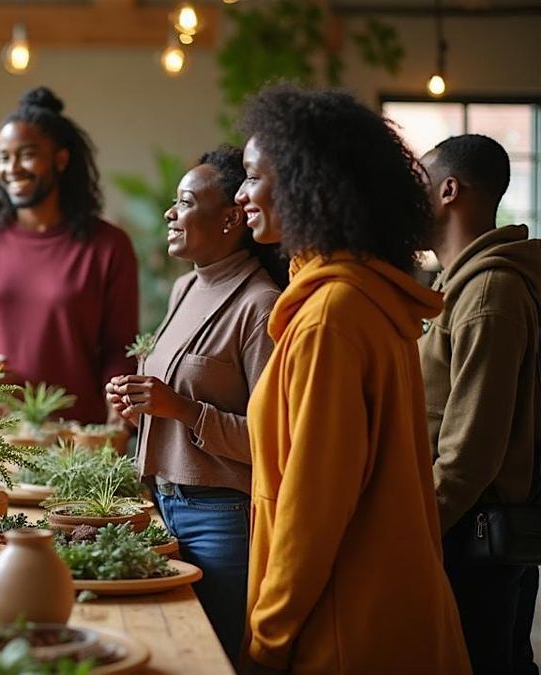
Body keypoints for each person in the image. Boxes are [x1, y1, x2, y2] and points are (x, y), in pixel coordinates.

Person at [234, 84, 470, 674]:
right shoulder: (355, 300)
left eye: (252, 176)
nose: (241, 195)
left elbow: (312, 510)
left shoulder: (331, 317)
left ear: (301, 181)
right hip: (384, 612)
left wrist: (266, 639)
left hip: (343, 633)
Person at [105, 146, 284, 663]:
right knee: (170, 651)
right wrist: (137, 404)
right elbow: (168, 398)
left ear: (231, 218)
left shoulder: (261, 306)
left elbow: (273, 440)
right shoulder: (185, 287)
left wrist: (182, 409)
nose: (169, 213)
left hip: (223, 516)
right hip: (163, 503)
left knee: (213, 657)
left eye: (184, 203)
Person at [0, 86, 138, 424]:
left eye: (26, 154)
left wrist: (116, 423)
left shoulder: (108, 246)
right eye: (4, 157)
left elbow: (119, 348)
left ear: (61, 159)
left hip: (71, 439)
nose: (12, 168)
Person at [420, 134, 541, 674]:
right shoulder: (456, 285)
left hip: (471, 536)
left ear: (449, 190)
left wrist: (415, 524)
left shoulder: (490, 293)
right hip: (458, 529)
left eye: (418, 184)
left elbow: (472, 450)